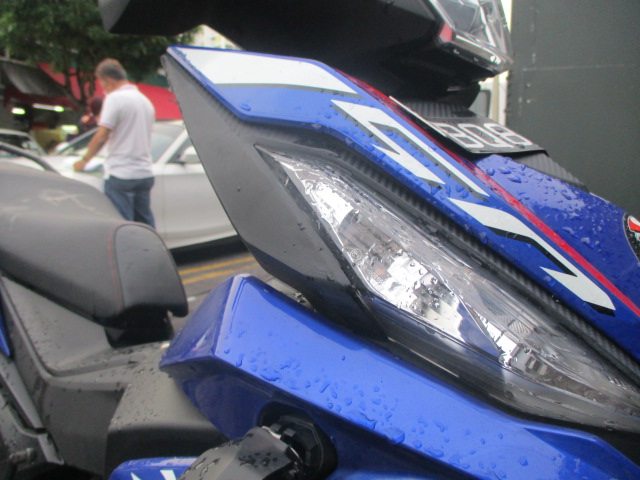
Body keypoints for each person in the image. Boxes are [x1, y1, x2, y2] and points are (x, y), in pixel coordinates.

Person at [74, 59, 156, 227]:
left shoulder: (115, 98)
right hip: (144, 173)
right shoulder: (145, 100)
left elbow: (101, 136)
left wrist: (84, 160)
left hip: (121, 173)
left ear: (107, 80)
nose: (102, 88)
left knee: (123, 226)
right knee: (145, 225)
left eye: (101, 83)